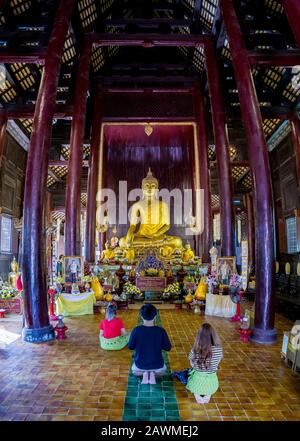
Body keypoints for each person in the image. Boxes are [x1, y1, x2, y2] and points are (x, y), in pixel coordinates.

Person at [128, 304, 172, 385]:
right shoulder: (161, 331)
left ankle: (145, 373)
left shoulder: (136, 330)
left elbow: (130, 347)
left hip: (140, 365)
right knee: (163, 372)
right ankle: (152, 373)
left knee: (134, 371)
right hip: (158, 365)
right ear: (155, 316)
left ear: (141, 316)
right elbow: (168, 348)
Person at [186, 323, 223, 404]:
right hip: (212, 385)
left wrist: (194, 365)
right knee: (214, 367)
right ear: (214, 335)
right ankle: (207, 394)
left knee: (190, 375)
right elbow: (218, 361)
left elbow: (190, 359)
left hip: (196, 383)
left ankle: (197, 394)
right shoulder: (219, 349)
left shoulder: (195, 349)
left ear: (199, 336)